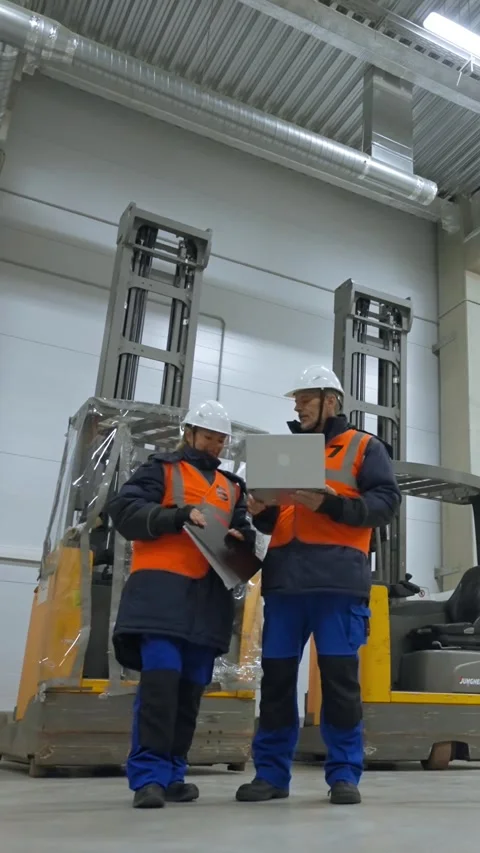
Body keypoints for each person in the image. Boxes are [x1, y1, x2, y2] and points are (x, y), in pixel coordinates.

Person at [236, 366, 401, 806]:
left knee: (341, 683)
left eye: (306, 398)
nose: (297, 406)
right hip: (286, 582)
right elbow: (279, 519)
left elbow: (385, 504)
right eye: (296, 400)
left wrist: (329, 503)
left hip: (337, 583)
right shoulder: (286, 452)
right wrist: (260, 509)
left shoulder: (365, 447)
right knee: (276, 683)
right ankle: (271, 775)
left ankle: (344, 774)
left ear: (332, 400)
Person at [108, 400, 255, 809]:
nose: (215, 446)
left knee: (190, 692)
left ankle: (173, 774)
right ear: (189, 433)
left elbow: (241, 528)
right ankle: (149, 777)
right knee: (160, 685)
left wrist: (243, 538)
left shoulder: (232, 487)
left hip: (208, 602)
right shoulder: (160, 470)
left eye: (221, 440)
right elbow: (124, 511)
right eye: (209, 437)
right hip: (161, 596)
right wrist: (177, 516)